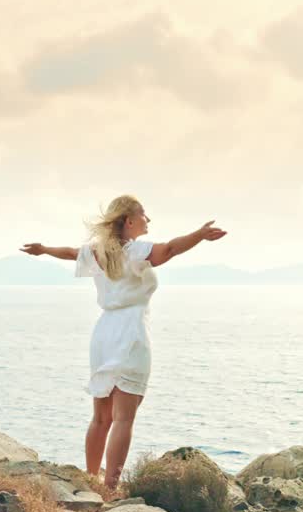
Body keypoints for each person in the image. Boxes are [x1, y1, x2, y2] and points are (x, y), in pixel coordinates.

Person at [20, 195, 226, 488]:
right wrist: (199, 235)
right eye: (144, 215)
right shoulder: (135, 250)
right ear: (129, 221)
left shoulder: (97, 251)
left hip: (104, 333)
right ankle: (110, 489)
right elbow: (169, 249)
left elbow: (68, 252)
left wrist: (43, 250)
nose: (148, 220)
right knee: (123, 418)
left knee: (101, 417)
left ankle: (91, 479)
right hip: (130, 331)